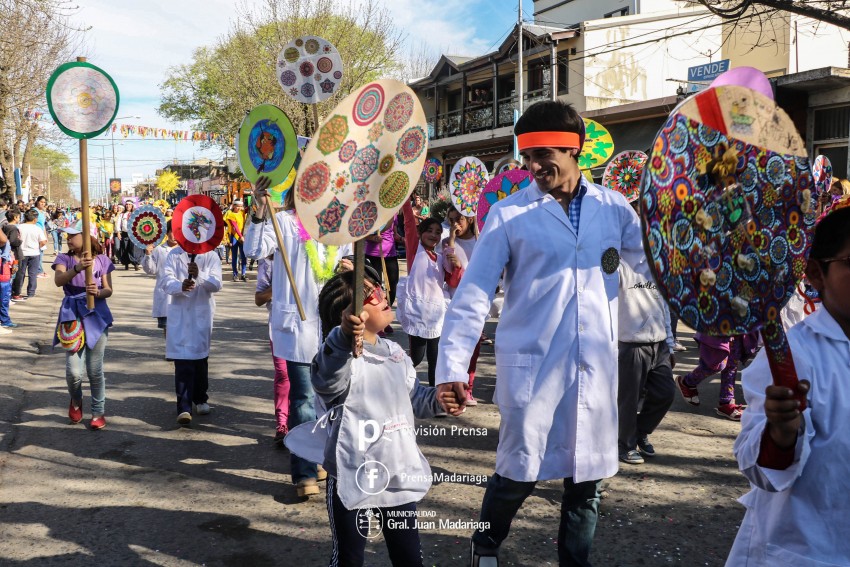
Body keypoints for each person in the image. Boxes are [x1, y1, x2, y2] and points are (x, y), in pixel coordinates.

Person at [436, 100, 650, 567]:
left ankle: (576, 562)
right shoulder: (510, 214)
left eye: (545, 154)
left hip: (593, 366)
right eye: (528, 156)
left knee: (587, 484)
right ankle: (485, 546)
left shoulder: (615, 209)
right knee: (516, 473)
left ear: (575, 150)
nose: (534, 166)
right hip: (533, 367)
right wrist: (452, 366)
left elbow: (651, 266)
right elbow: (473, 294)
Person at [725, 196, 850, 566]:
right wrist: (782, 435)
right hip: (803, 549)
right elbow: (760, 469)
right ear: (815, 273)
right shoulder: (791, 356)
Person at [312, 270, 459, 567]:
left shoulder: (394, 352)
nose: (382, 295)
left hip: (397, 474)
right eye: (371, 294)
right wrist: (342, 337)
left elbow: (414, 397)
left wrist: (441, 399)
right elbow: (325, 380)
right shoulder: (338, 359)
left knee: (409, 557)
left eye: (379, 287)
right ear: (350, 314)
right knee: (349, 559)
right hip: (352, 476)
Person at [245, 177, 349, 497]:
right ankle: (303, 472)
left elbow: (345, 263)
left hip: (332, 326)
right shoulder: (286, 223)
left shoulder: (336, 228)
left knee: (329, 401)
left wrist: (347, 266)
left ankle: (320, 458)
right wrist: (261, 210)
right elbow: (253, 248)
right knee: (303, 399)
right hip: (298, 327)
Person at [616, 246, 676, 464]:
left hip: (658, 344)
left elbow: (664, 307)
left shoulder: (658, 266)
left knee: (666, 393)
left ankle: (640, 431)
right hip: (631, 344)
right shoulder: (619, 265)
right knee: (628, 400)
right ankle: (626, 445)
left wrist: (669, 342)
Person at [53, 224, 115, 430]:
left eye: (73, 235)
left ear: (87, 237)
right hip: (72, 315)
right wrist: (78, 268)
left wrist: (97, 293)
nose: (69, 239)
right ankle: (76, 400)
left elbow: (108, 290)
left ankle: (98, 412)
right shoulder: (64, 259)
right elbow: (59, 280)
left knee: (95, 369)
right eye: (67, 236)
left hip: (97, 315)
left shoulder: (103, 260)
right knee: (74, 372)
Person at [162, 238, 222, 426]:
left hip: (201, 312)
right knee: (182, 361)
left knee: (199, 360)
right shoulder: (174, 254)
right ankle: (184, 406)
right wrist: (180, 286)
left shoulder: (211, 255)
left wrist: (200, 275)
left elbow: (217, 284)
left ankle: (201, 398)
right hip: (180, 311)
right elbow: (166, 281)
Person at [397, 218, 454, 388]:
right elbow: (408, 224)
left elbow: (452, 271)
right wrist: (406, 196)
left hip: (436, 314)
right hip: (417, 312)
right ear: (420, 232)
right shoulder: (415, 250)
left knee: (435, 358)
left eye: (437, 232)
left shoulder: (440, 257)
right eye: (429, 230)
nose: (433, 235)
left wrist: (451, 236)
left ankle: (434, 396)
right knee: (416, 356)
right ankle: (397, 383)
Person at [675, 331, 758, 420]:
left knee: (731, 366)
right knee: (717, 364)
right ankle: (687, 382)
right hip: (721, 327)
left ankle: (726, 402)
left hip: (739, 329)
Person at [254, 254, 291, 444]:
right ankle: (282, 423)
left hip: (308, 327)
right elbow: (259, 298)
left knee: (304, 376)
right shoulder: (269, 262)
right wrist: (279, 285)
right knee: (283, 374)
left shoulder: (310, 255)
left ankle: (301, 420)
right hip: (278, 328)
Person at [142, 222, 178, 337]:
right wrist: (148, 255)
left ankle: (181, 352)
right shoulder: (159, 250)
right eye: (172, 232)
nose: (175, 236)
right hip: (165, 293)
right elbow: (151, 270)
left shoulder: (186, 250)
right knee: (168, 326)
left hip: (182, 292)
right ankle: (170, 351)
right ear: (167, 233)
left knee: (182, 325)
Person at [13, 208, 47, 300]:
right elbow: (43, 241)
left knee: (20, 273)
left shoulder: (19, 227)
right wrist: (38, 246)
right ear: (35, 219)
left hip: (21, 253)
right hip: (34, 253)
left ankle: (17, 292)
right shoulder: (37, 229)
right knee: (33, 274)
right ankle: (31, 293)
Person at [223, 200, 247, 282]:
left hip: (242, 236)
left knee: (244, 256)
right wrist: (240, 236)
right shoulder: (230, 214)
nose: (239, 208)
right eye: (237, 206)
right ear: (233, 206)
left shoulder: (242, 212)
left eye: (241, 206)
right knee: (234, 257)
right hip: (234, 237)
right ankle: (235, 274)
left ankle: (243, 274)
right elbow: (235, 226)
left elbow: (250, 208)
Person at [0, 223, 15, 332]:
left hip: (5, 271)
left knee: (4, 298)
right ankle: (5, 320)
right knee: (4, 298)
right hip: (3, 273)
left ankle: (5, 319)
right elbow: (3, 240)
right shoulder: (5, 242)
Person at [119, 202, 143, 270]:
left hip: (134, 234)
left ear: (132, 206)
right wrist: (118, 232)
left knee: (134, 249)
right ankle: (126, 263)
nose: (128, 206)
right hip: (125, 233)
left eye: (129, 204)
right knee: (125, 248)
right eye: (127, 204)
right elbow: (118, 224)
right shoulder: (122, 215)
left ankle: (136, 264)